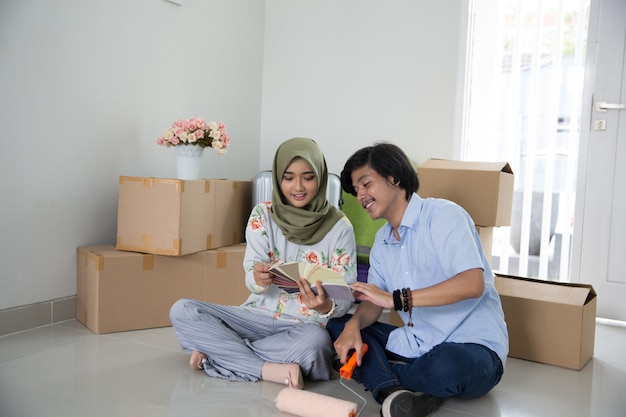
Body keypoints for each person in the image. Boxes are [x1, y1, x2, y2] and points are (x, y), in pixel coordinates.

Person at [327, 143, 508, 417]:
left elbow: (472, 284)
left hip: (472, 349)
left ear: (394, 178)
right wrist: (353, 325)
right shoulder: (382, 242)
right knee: (337, 325)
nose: (360, 196)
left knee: (447, 367)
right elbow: (373, 304)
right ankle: (397, 392)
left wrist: (396, 299)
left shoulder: (444, 216)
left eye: (365, 184)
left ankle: (381, 376)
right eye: (356, 190)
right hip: (417, 344)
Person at [169, 137, 357, 389]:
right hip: (254, 317)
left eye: (308, 177)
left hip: (303, 328)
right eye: (288, 177)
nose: (297, 186)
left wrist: (325, 306)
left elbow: (345, 297)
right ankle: (269, 370)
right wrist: (257, 279)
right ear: (279, 178)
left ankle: (218, 353)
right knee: (183, 310)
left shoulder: (340, 227)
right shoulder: (262, 215)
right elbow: (250, 275)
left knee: (316, 344)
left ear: (320, 178)